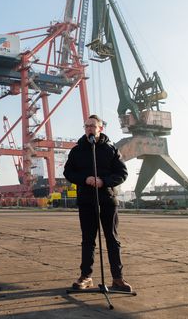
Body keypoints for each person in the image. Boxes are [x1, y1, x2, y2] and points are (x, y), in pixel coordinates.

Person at [63, 114, 133, 292]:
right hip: (87, 200)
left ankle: (117, 278)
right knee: (88, 240)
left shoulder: (111, 149)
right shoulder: (77, 150)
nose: (89, 129)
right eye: (86, 126)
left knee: (112, 239)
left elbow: (122, 174)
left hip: (107, 200)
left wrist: (104, 181)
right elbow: (68, 172)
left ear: (100, 129)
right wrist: (84, 179)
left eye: (93, 126)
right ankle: (86, 276)